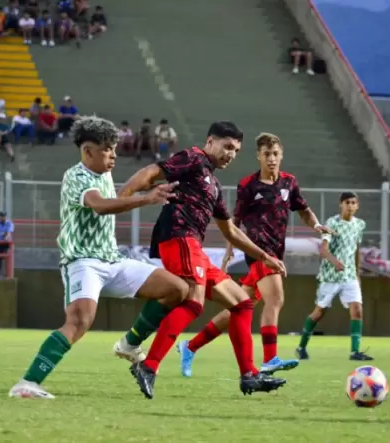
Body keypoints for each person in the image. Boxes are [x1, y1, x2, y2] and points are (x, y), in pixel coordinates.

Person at [8, 116, 188, 400]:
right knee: (80, 321)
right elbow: (100, 206)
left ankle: (129, 345)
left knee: (176, 289)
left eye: (114, 148)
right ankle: (28, 383)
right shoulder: (77, 175)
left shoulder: (103, 173)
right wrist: (147, 198)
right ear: (88, 151)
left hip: (111, 260)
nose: (114, 154)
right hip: (82, 261)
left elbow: (117, 197)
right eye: (107, 149)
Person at [114, 121, 289, 399]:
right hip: (179, 238)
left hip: (195, 247)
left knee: (242, 303)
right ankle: (148, 366)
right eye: (227, 146)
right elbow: (151, 172)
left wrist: (265, 256)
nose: (231, 154)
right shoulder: (193, 157)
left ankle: (249, 375)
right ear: (210, 142)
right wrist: (121, 198)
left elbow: (230, 230)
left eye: (236, 150)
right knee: (193, 303)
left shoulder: (214, 185)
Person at [176, 133, 330, 377]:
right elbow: (232, 222)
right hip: (258, 253)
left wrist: (317, 225)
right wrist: (228, 254)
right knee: (276, 298)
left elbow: (303, 209)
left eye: (275, 154)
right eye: (266, 154)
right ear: (258, 156)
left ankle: (189, 346)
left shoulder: (289, 182)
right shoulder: (248, 185)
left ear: (282, 155)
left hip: (276, 253)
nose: (271, 159)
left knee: (237, 307)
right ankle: (270, 359)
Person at [295, 192, 373, 361]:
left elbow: (356, 250)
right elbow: (323, 250)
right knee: (319, 313)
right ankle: (301, 347)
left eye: (353, 203)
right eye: (347, 202)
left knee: (357, 310)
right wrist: (335, 261)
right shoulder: (332, 223)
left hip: (350, 275)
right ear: (341, 205)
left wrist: (357, 273)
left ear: (357, 206)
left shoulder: (360, 224)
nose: (350, 206)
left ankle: (355, 352)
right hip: (331, 276)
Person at [0, 211, 14, 279]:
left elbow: (8, 233)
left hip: (5, 243)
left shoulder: (9, 224)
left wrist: (6, 236)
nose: (2, 218)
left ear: (5, 217)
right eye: (1, 216)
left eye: (4, 216)